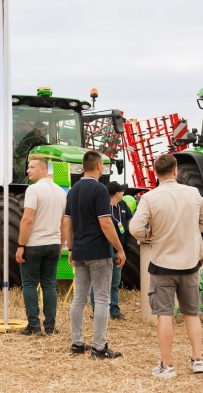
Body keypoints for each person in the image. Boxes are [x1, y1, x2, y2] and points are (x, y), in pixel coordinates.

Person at [129, 154, 203, 379]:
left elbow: (135, 229)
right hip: (190, 264)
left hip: (162, 265)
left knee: (164, 315)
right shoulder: (193, 193)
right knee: (192, 314)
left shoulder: (150, 197)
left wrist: (150, 235)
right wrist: (188, 232)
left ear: (156, 173)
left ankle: (167, 366)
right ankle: (197, 359)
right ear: (176, 171)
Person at [62, 151, 126, 359]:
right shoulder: (99, 189)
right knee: (101, 299)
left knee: (79, 298)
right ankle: (99, 347)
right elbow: (106, 223)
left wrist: (71, 248)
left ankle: (77, 343)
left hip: (79, 251)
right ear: (98, 165)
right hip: (98, 252)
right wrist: (119, 248)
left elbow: (67, 222)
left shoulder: (73, 191)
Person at [15, 157, 67, 335]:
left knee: (29, 284)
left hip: (34, 244)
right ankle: (51, 327)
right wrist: (61, 244)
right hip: (53, 243)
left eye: (32, 167)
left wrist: (21, 244)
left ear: (43, 169)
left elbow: (28, 219)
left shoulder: (33, 190)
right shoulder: (61, 192)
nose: (28, 170)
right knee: (49, 285)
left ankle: (34, 326)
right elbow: (63, 221)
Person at [90, 182, 132, 321]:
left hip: (119, 251)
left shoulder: (123, 206)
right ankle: (97, 310)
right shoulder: (103, 207)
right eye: (122, 191)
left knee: (114, 283)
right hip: (104, 251)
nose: (124, 193)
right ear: (117, 193)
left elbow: (131, 222)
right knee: (99, 283)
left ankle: (114, 311)